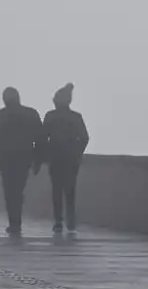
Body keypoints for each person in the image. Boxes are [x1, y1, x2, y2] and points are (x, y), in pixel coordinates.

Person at [0, 86, 45, 238]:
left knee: (9, 190)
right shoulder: (31, 114)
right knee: (18, 189)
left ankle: (14, 222)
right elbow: (40, 139)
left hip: (5, 159)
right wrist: (38, 160)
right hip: (24, 158)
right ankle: (16, 221)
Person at [43, 82, 89, 235]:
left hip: (56, 159)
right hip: (71, 160)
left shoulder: (50, 116)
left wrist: (43, 155)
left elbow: (43, 138)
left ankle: (58, 221)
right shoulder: (76, 117)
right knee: (70, 190)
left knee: (57, 190)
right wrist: (77, 153)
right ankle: (70, 218)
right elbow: (84, 138)